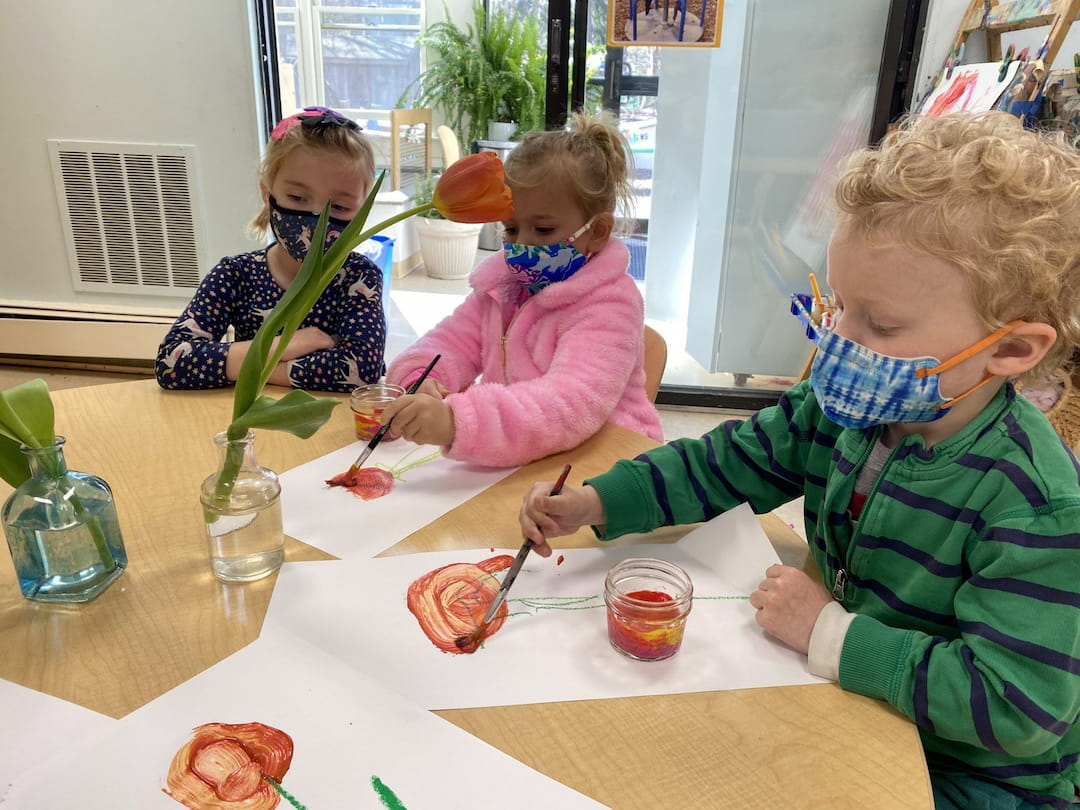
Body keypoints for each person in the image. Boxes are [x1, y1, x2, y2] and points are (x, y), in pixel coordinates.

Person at [519, 111, 1080, 809]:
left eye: (879, 324)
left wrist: (832, 634)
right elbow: (729, 463)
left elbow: (1020, 707)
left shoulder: (1035, 503)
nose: (839, 340)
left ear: (1011, 351)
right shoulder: (844, 406)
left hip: (976, 778)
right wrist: (602, 501)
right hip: (863, 709)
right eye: (840, 306)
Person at [381, 111, 662, 468]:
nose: (523, 245)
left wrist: (458, 422)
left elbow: (570, 404)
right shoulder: (503, 285)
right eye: (511, 230)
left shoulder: (611, 304)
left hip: (607, 469)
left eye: (543, 231)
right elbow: (451, 342)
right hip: (528, 456)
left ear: (597, 231)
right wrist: (421, 379)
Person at [155, 106, 385, 392]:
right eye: (298, 197)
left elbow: (361, 371)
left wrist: (248, 366)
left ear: (362, 211)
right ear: (268, 194)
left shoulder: (359, 278)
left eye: (338, 207)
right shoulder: (236, 274)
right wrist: (285, 346)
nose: (317, 217)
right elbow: (172, 362)